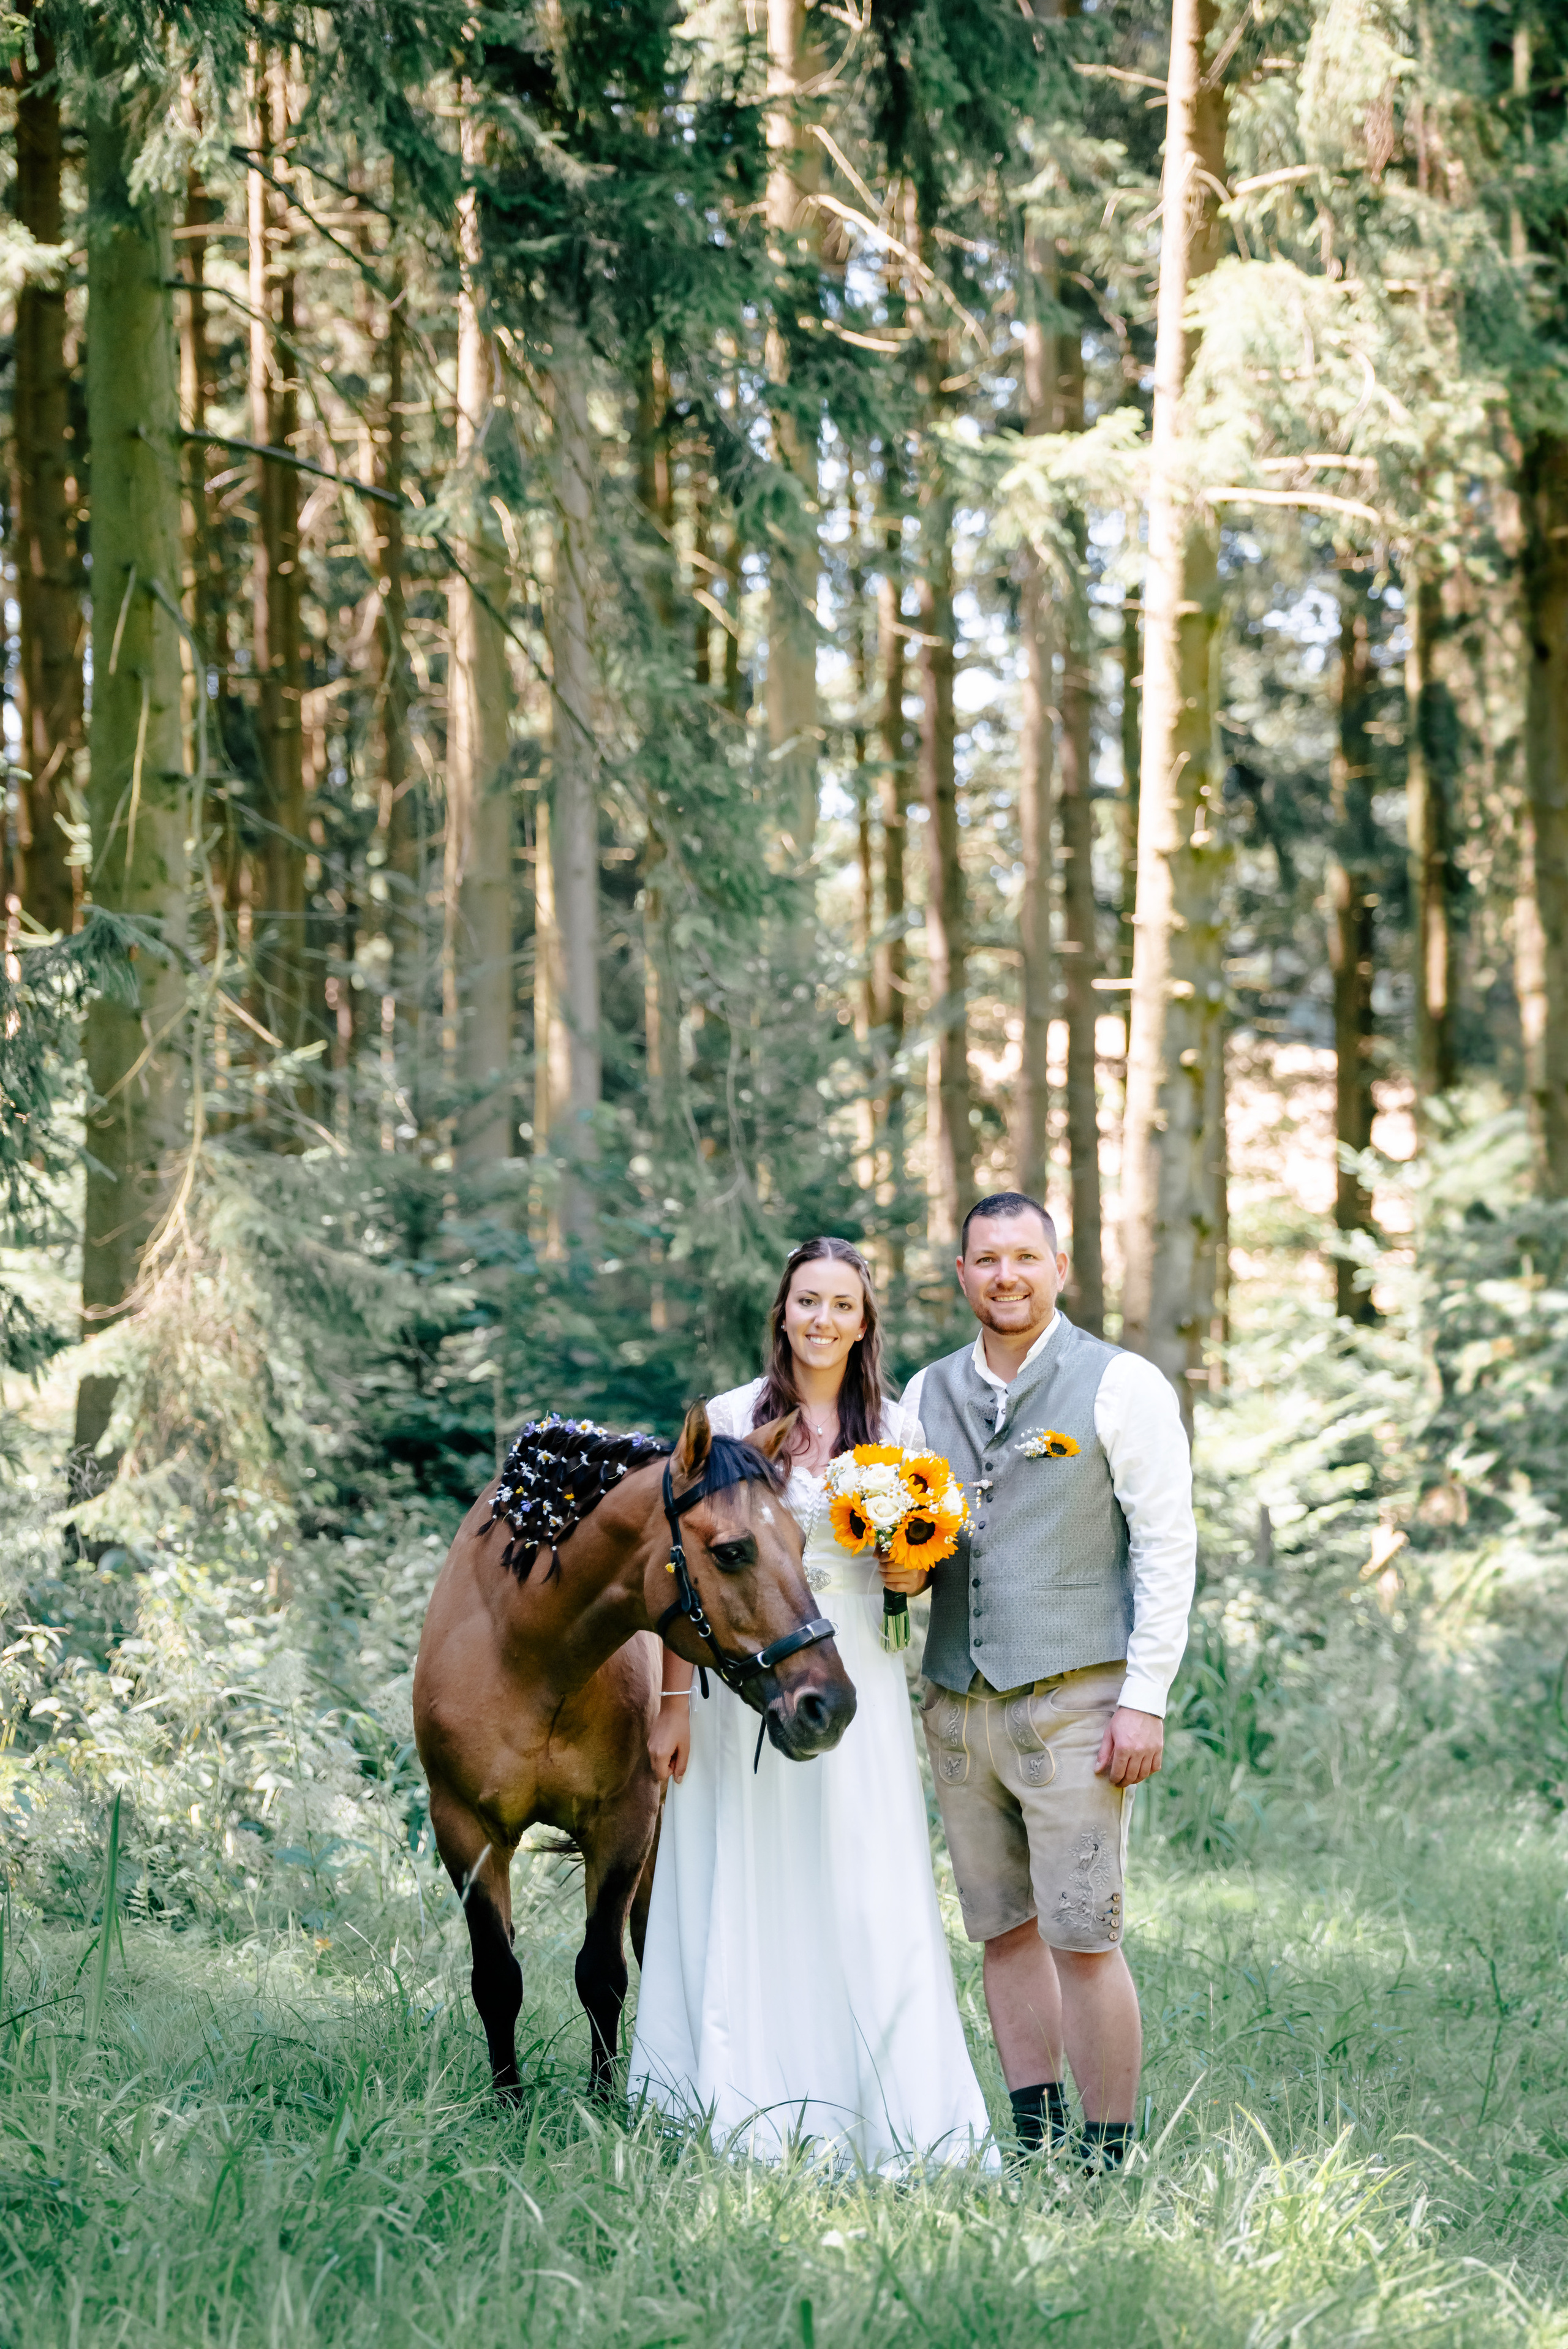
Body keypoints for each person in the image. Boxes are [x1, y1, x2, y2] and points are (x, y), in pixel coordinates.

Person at [628, 1236, 997, 2171]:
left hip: (852, 1673)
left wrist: (906, 1568)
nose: (822, 1320)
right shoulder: (725, 1419)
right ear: (782, 1313)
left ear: (864, 1321)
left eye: (841, 1304)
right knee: (742, 1876)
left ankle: (889, 2114)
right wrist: (673, 1706)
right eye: (807, 1302)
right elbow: (684, 1578)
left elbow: (913, 1582)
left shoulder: (899, 1430)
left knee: (865, 1883)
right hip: (740, 1683)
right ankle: (729, 2102)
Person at [899, 1191, 1197, 2171]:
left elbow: (1166, 1546)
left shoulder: (1122, 1385)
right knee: (1001, 1930)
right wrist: (898, 1575)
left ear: (1059, 1268)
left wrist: (1145, 1696)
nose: (1006, 1277)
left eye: (1025, 1258)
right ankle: (1037, 2144)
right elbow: (905, 1540)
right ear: (962, 1277)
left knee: (1083, 1932)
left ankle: (1108, 2160)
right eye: (987, 1260)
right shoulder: (923, 1396)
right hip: (956, 1704)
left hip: (1079, 1698)